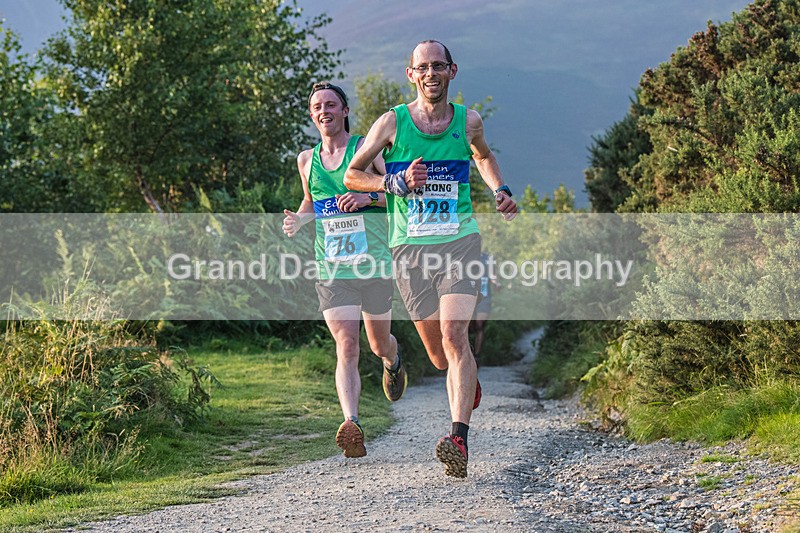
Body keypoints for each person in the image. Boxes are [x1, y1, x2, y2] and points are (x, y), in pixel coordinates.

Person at [344, 40, 518, 477]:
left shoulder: (468, 121)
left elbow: (484, 156)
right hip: (409, 249)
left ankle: (458, 437)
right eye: (422, 67)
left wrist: (500, 188)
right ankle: (465, 376)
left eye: (438, 66)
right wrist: (394, 182)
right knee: (441, 356)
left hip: (460, 240)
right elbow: (353, 174)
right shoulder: (392, 123)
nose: (430, 74)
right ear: (411, 74)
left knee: (455, 334)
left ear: (452, 71)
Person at [283, 82, 407, 459]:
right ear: (312, 115)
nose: (325, 111)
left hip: (373, 263)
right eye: (317, 106)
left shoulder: (364, 150)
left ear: (345, 110)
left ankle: (393, 360)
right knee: (347, 345)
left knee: (376, 343)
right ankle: (351, 423)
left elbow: (397, 189)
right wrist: (301, 220)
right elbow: (311, 201)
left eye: (331, 105)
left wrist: (366, 196)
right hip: (332, 267)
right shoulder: (307, 160)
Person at [469, 251, 499, 364]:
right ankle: (466, 353)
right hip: (469, 297)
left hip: (484, 297)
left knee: (480, 325)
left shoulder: (488, 258)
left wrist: (496, 283)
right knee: (467, 327)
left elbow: (493, 275)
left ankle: (477, 355)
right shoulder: (465, 254)